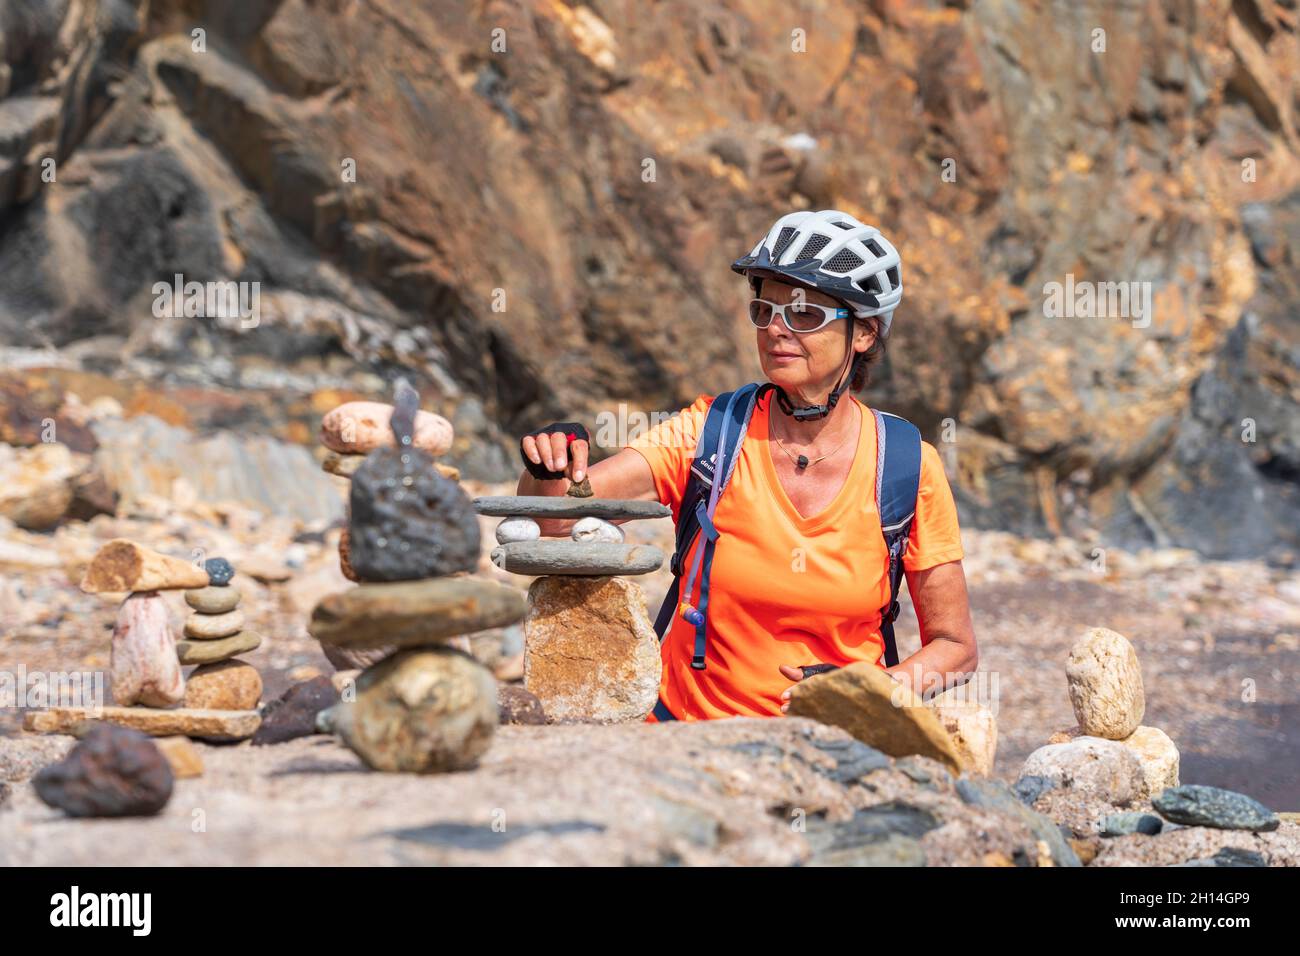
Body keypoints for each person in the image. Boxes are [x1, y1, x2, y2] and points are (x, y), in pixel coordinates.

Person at [516, 209, 977, 720]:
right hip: (683, 740)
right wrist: (551, 462)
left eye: (803, 313)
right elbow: (554, 518)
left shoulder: (907, 465)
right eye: (764, 310)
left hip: (828, 749)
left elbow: (955, 649)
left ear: (864, 333)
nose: (776, 329)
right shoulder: (710, 434)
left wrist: (874, 687)